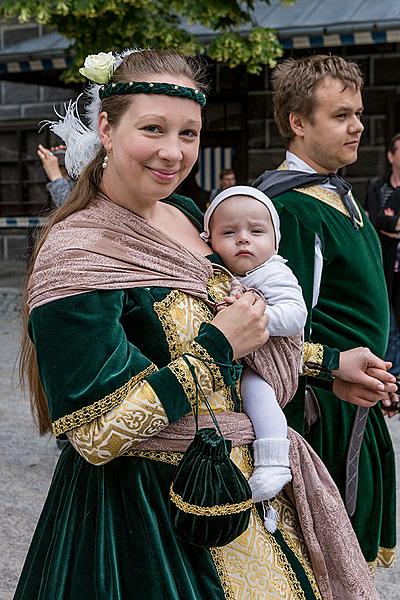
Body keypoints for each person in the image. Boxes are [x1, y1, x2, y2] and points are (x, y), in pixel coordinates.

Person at [14, 49, 383, 599]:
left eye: (189, 134)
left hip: (239, 480)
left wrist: (329, 366)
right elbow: (94, 432)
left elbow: (242, 323)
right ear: (106, 129)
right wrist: (215, 348)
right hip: (143, 514)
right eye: (153, 129)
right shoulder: (76, 252)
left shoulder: (190, 215)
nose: (173, 151)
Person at [254, 54, 398, 569]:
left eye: (357, 113)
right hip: (318, 412)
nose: (358, 126)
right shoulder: (289, 209)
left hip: (354, 394)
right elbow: (273, 331)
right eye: (341, 115)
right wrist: (332, 369)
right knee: (318, 559)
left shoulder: (338, 193)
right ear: (298, 122)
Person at [200, 184, 307, 507]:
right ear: (209, 241)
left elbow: (296, 315)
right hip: (249, 353)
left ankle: (275, 459)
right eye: (229, 232)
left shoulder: (273, 272)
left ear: (275, 240)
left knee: (256, 389)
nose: (243, 238)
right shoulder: (234, 274)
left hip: (273, 360)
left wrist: (254, 318)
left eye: (256, 231)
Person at [366, 133, 400, 377]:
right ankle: (391, 370)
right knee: (387, 318)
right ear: (391, 155)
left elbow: (388, 222)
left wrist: (391, 223)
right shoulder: (378, 187)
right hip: (384, 261)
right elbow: (376, 221)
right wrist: (389, 223)